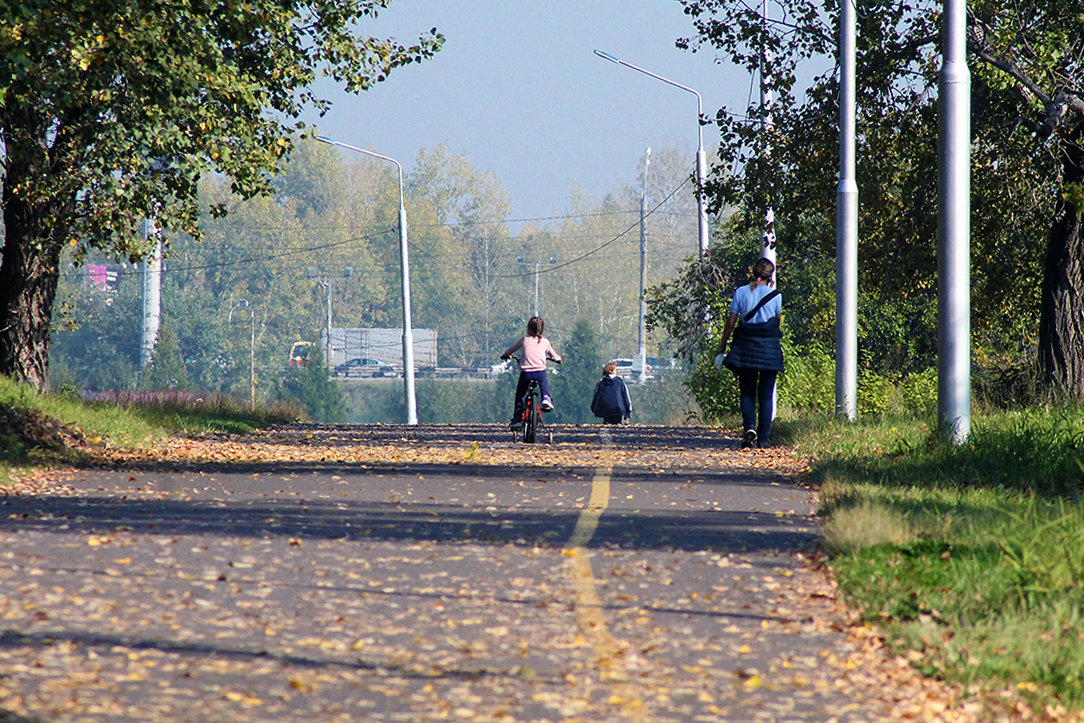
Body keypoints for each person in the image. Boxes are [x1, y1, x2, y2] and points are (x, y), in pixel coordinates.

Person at [713, 258, 783, 449]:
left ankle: (749, 428)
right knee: (766, 394)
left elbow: (731, 323)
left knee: (747, 391)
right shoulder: (776, 296)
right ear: (771, 276)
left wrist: (722, 347)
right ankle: (763, 438)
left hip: (746, 347)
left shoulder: (741, 292)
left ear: (752, 273)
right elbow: (776, 322)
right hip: (769, 350)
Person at [501, 316, 562, 426]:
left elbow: (511, 350)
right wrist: (558, 358)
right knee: (544, 384)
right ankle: (546, 398)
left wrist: (506, 355)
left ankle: (517, 419)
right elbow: (554, 355)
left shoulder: (524, 340)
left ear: (528, 329)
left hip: (526, 373)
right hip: (539, 372)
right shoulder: (545, 342)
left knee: (520, 395)